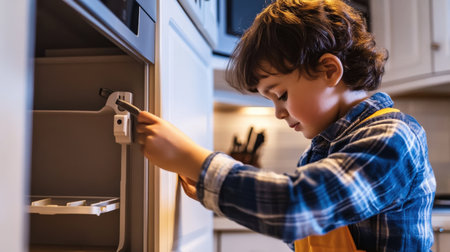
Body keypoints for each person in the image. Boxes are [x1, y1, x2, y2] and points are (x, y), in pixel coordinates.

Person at [136, 0, 436, 251]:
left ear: (329, 70)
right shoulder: (323, 150)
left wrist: (195, 161)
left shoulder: (392, 136)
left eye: (281, 95)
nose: (278, 112)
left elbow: (297, 206)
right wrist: (207, 188)